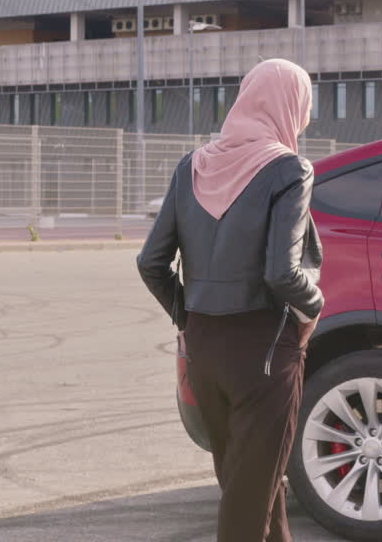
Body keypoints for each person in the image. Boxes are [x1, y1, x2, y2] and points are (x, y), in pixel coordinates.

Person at [137, 58, 323, 542]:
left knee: (253, 487)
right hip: (263, 349)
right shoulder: (289, 169)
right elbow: (282, 272)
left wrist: (186, 315)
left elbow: (151, 263)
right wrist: (315, 306)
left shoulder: (191, 165)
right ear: (291, 104)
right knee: (247, 505)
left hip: (201, 349)